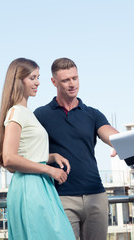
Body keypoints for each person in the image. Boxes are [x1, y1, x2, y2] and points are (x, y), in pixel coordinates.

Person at [34, 57, 118, 240]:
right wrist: (51, 157)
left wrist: (122, 143)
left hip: (96, 194)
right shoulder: (40, 115)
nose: (72, 84)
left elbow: (110, 134)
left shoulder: (92, 114)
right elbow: (29, 152)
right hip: (62, 197)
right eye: (66, 80)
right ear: (54, 82)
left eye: (75, 78)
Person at [0, 58, 76, 240]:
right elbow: (9, 158)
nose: (38, 82)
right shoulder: (16, 112)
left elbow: (25, 153)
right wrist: (50, 170)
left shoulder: (25, 112)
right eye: (32, 78)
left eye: (38, 77)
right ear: (19, 80)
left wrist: (51, 156)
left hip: (38, 185)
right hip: (30, 188)